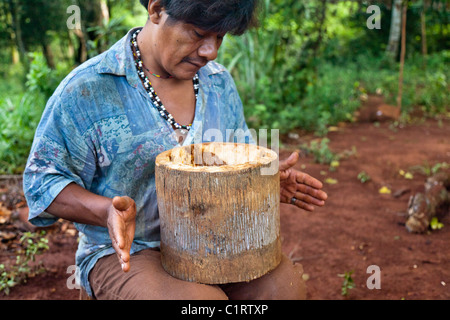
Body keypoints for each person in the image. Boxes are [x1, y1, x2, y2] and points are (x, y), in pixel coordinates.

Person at [23, 0, 328, 300]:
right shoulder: (89, 89)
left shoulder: (218, 83)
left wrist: (260, 179)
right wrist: (105, 211)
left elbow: (238, 154)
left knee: (282, 289)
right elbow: (41, 181)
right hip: (132, 250)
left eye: (219, 37)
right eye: (198, 33)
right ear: (156, 9)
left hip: (217, 242)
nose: (211, 51)